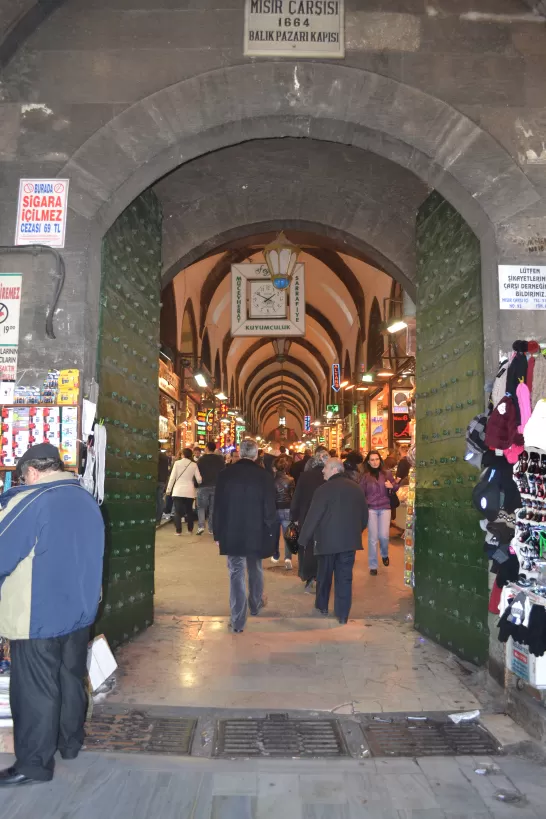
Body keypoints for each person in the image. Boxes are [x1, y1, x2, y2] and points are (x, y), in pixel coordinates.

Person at [0, 443, 104, 786]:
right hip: (78, 611)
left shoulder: (30, 501)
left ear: (30, 472)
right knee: (70, 678)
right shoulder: (85, 499)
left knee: (35, 691)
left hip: (37, 614)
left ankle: (33, 765)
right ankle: (70, 743)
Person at [213, 438, 277, 633]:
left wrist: (217, 532)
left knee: (236, 572)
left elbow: (218, 507)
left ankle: (238, 619)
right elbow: (269, 508)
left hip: (232, 530)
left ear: (240, 453)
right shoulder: (264, 476)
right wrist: (271, 530)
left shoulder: (225, 475)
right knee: (255, 567)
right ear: (256, 454)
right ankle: (255, 604)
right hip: (256, 530)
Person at [299, 458, 368, 624]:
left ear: (335, 470)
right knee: (345, 578)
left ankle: (322, 606)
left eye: (326, 468)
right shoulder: (356, 489)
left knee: (324, 575)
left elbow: (313, 516)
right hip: (348, 542)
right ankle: (343, 614)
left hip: (326, 541)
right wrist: (355, 532)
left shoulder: (323, 490)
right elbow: (364, 516)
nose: (323, 471)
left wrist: (303, 540)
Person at [290, 446, 329, 592]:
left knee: (307, 547)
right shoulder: (328, 477)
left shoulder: (304, 477)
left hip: (306, 517)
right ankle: (321, 575)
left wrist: (293, 517)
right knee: (323, 546)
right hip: (325, 517)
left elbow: (297, 497)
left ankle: (308, 575)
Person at [360, 450, 400, 575]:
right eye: (372, 460)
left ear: (380, 460)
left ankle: (384, 554)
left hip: (385, 508)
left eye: (376, 459)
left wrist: (391, 486)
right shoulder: (365, 476)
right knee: (372, 538)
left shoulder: (386, 473)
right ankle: (373, 565)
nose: (375, 462)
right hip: (371, 508)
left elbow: (395, 486)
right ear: (368, 461)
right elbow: (361, 492)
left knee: (383, 536)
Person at [166, 447, 202, 535]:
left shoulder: (177, 463)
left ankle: (178, 531)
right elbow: (199, 479)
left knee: (178, 511)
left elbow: (172, 478)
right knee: (189, 511)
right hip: (190, 491)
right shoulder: (194, 464)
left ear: (183, 454)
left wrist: (168, 489)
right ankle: (190, 530)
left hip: (178, 490)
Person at [271, 455, 296, 570]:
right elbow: (293, 496)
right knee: (288, 535)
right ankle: (288, 558)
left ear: (275, 468)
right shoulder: (291, 480)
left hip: (275, 509)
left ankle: (276, 555)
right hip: (287, 509)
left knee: (275, 535)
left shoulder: (271, 480)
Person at [196, 441, 225, 535]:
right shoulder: (220, 459)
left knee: (201, 507)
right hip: (216, 486)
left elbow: (197, 473)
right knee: (213, 508)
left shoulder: (201, 459)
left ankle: (201, 526)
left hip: (203, 485)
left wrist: (196, 484)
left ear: (207, 448)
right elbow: (223, 472)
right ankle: (211, 528)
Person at [156, 446, 170, 524]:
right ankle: (158, 519)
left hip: (156, 480)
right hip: (163, 481)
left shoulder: (156, 455)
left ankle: (156, 518)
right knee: (160, 499)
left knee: (156, 500)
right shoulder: (165, 457)